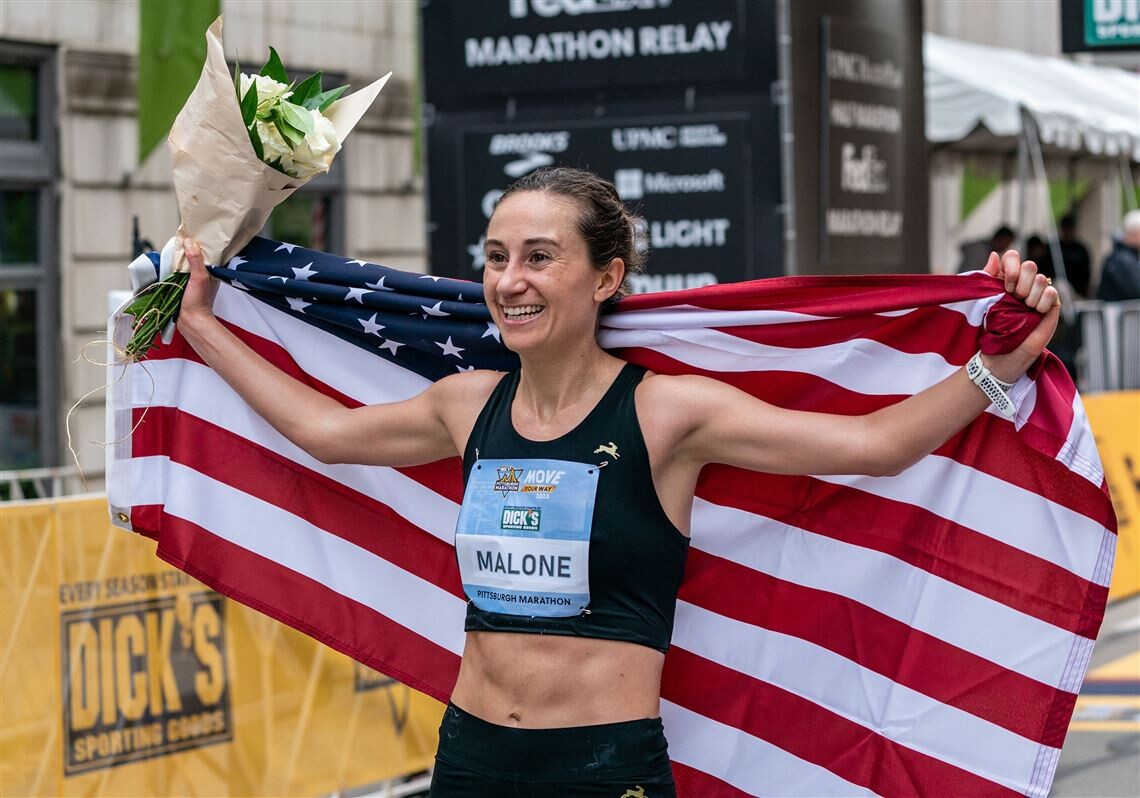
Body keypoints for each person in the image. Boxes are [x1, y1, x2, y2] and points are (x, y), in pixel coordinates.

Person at [178, 167, 1059, 796]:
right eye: (496, 257)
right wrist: (201, 325)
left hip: (605, 769)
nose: (510, 282)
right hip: (472, 760)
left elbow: (874, 444)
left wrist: (1000, 367)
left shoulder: (668, 414)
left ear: (606, 278)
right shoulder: (466, 403)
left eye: (539, 257)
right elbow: (325, 434)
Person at [1097, 209, 1140, 301]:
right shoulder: (1123, 260)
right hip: (1117, 309)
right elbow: (1135, 290)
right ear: (1133, 233)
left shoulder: (1126, 257)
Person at [1058, 213, 1091, 297]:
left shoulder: (1081, 249)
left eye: (1070, 228)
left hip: (1079, 293)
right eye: (1066, 228)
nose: (1068, 232)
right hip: (1060, 293)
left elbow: (1086, 274)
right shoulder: (1056, 248)